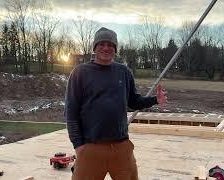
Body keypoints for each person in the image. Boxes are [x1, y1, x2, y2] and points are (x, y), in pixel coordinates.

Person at [65, 27, 167, 180]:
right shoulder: (80, 72)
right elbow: (71, 112)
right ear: (95, 47)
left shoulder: (124, 72)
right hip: (91, 147)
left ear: (115, 49)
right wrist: (78, 145)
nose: (106, 48)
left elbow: (133, 101)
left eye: (111, 45)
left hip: (121, 147)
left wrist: (155, 100)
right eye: (102, 44)